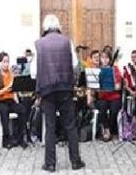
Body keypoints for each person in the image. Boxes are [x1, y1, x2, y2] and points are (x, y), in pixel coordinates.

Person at [35, 14, 85, 172]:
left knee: (50, 127)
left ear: (45, 27)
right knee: (70, 126)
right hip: (65, 89)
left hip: (47, 90)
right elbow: (76, 65)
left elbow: (33, 72)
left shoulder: (39, 44)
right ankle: (76, 161)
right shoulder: (67, 42)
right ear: (58, 26)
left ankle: (50, 164)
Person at [0, 52, 28, 149]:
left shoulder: (10, 73)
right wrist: (6, 89)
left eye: (7, 62)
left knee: (22, 109)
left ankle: (20, 138)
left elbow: (14, 90)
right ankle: (7, 139)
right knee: (4, 110)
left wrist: (16, 99)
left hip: (10, 100)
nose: (6, 64)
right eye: (4, 62)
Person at [93, 51, 122, 141]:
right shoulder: (97, 70)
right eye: (103, 57)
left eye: (107, 58)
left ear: (110, 59)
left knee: (114, 110)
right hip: (102, 97)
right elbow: (94, 86)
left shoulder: (115, 69)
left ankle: (109, 128)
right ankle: (106, 129)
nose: (105, 60)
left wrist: (112, 85)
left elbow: (118, 87)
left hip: (114, 96)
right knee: (102, 108)